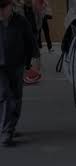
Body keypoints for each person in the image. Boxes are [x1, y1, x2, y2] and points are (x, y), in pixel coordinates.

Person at [0, 0, 36, 146]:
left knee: (16, 97)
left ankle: (11, 126)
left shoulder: (20, 21)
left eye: (3, 7)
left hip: (17, 64)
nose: (1, 11)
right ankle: (6, 132)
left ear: (11, 6)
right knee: (5, 96)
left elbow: (30, 41)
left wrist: (32, 63)